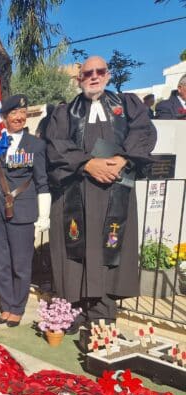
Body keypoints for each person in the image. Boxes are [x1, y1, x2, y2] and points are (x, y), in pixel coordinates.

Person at [45, 56, 157, 336]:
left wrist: (122, 160)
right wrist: (86, 164)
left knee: (109, 250)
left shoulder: (127, 106)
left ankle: (104, 313)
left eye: (100, 72)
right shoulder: (64, 112)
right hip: (78, 191)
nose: (94, 77)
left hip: (115, 192)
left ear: (108, 76)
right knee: (77, 250)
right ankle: (76, 310)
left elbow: (144, 134)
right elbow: (56, 148)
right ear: (79, 79)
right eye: (87, 73)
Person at [0, 94, 50, 327]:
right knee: (1, 261)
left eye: (22, 114)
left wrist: (43, 214)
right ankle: (5, 305)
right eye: (14, 113)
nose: (19, 117)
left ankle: (17, 307)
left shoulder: (36, 145)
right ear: (4, 117)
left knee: (21, 264)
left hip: (23, 212)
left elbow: (42, 180)